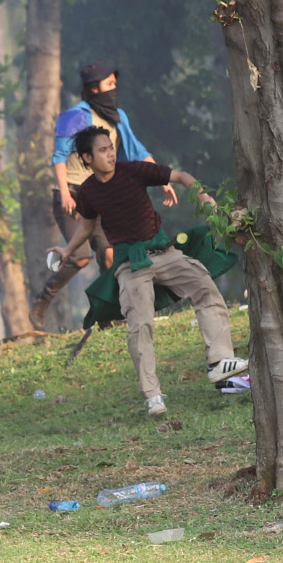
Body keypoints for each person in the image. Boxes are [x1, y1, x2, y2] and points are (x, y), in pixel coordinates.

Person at [51, 126, 248, 416]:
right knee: (140, 325)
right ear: (86, 158)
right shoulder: (90, 192)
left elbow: (180, 176)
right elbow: (88, 226)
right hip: (131, 266)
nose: (110, 153)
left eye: (111, 147)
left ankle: (220, 362)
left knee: (205, 287)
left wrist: (203, 196)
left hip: (165, 253)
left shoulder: (133, 171)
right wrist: (67, 251)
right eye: (102, 150)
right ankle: (153, 396)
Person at [30, 61, 176, 330]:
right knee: (80, 256)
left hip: (100, 195)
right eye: (108, 85)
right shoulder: (75, 116)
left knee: (110, 254)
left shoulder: (118, 116)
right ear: (93, 88)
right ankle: (42, 300)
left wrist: (163, 178)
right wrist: (64, 192)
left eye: (115, 85)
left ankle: (109, 316)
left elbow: (135, 149)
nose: (113, 90)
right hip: (72, 194)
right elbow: (59, 156)